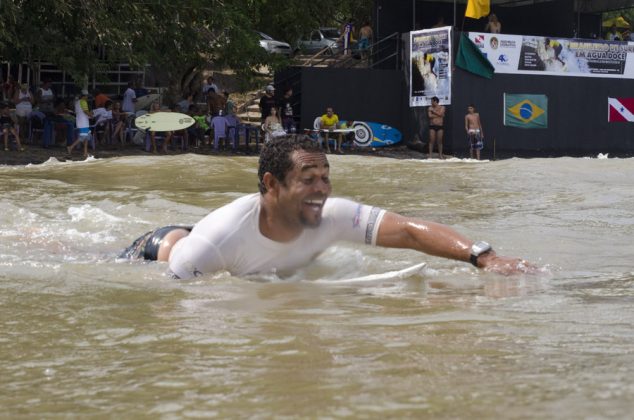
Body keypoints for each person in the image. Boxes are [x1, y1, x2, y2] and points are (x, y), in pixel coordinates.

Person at [120, 136, 534, 279]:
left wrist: (483, 257)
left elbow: (408, 231)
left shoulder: (333, 215)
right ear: (272, 184)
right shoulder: (217, 241)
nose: (322, 188)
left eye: (326, 176)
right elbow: (172, 302)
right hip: (160, 249)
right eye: (308, 179)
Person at [67, 89, 93, 158]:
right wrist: (91, 115)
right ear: (84, 96)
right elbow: (86, 111)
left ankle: (85, 152)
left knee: (86, 136)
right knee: (83, 137)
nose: (87, 97)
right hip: (83, 122)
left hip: (80, 121)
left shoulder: (77, 102)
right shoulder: (83, 102)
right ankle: (71, 147)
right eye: (87, 96)